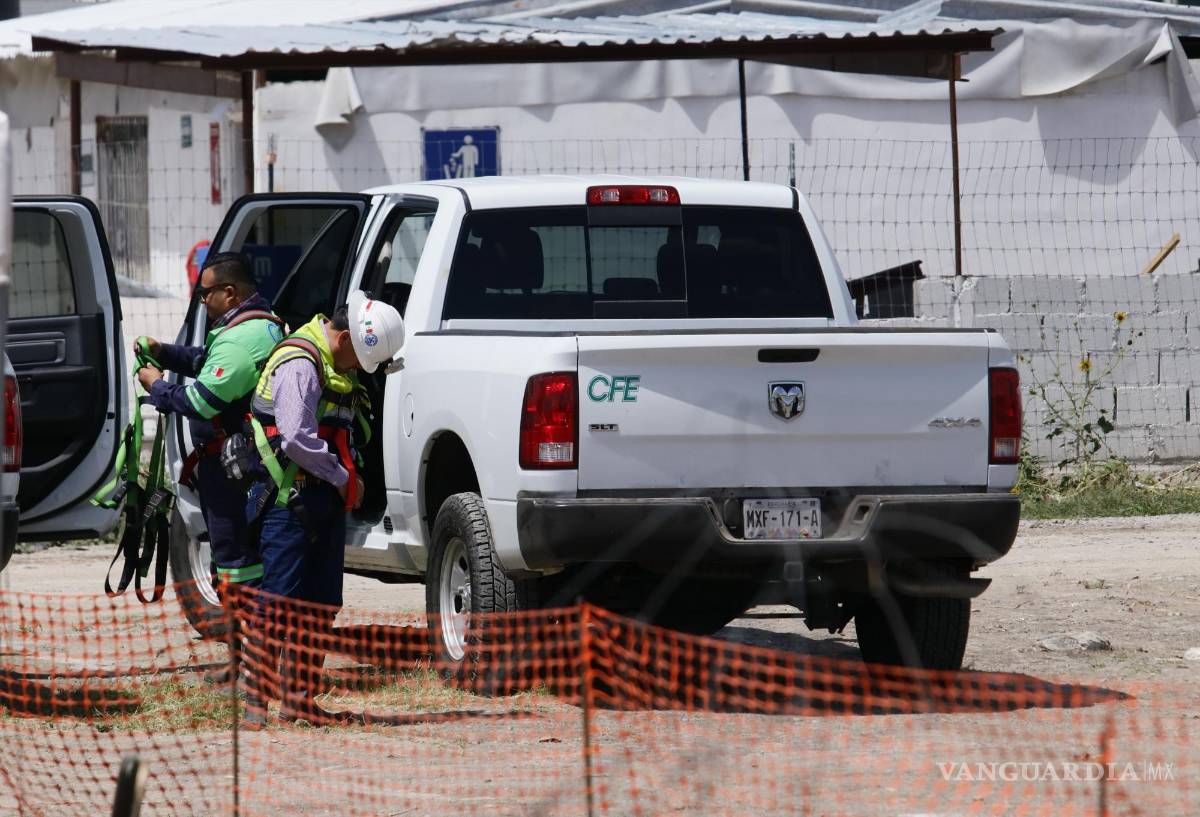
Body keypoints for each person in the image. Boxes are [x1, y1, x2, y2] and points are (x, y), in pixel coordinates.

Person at [242, 290, 404, 726]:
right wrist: (343, 478)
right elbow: (294, 437)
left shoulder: (335, 363)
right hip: (288, 500)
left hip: (323, 501)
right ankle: (255, 703)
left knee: (320, 606)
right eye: (359, 360)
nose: (357, 371)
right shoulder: (301, 363)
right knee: (278, 603)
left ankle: (299, 701)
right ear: (346, 337)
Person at [135, 252, 284, 682]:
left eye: (205, 294)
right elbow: (207, 363)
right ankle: (246, 664)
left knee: (237, 567)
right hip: (243, 468)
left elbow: (201, 399)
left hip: (231, 475)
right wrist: (167, 353)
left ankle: (253, 668)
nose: (202, 301)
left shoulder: (240, 340)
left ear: (229, 292)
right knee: (239, 566)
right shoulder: (259, 325)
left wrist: (157, 386)